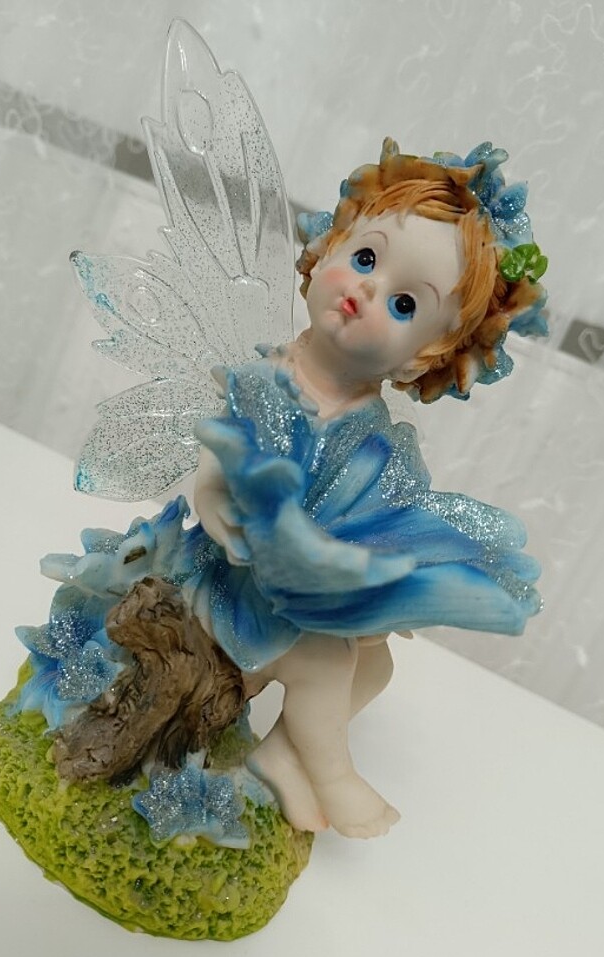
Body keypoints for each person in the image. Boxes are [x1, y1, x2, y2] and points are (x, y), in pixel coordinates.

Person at [187, 139, 547, 837]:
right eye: (364, 259)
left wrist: (374, 592)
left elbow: (382, 518)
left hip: (304, 591)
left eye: (405, 303)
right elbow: (216, 456)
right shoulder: (271, 380)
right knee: (326, 658)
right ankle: (332, 773)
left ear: (423, 358)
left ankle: (283, 755)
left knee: (374, 667)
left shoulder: (373, 431)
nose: (369, 290)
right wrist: (216, 499)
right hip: (227, 577)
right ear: (327, 248)